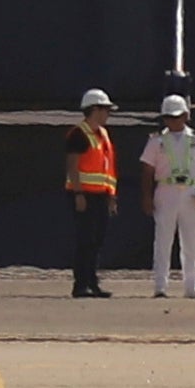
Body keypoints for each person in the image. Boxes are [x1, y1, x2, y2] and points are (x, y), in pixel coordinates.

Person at [144, 90, 195, 298]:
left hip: (190, 191)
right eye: (168, 117)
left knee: (192, 241)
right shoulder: (156, 141)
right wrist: (147, 197)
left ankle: (192, 285)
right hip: (165, 190)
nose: (172, 121)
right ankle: (160, 285)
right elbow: (148, 170)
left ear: (186, 116)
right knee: (163, 239)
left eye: (177, 116)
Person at [62, 89, 123, 298]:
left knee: (97, 240)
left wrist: (111, 195)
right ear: (95, 109)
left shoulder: (103, 134)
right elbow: (72, 166)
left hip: (101, 196)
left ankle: (92, 282)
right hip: (84, 195)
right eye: (106, 110)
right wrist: (78, 194)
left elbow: (108, 169)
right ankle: (81, 284)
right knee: (85, 240)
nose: (108, 114)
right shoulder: (78, 134)